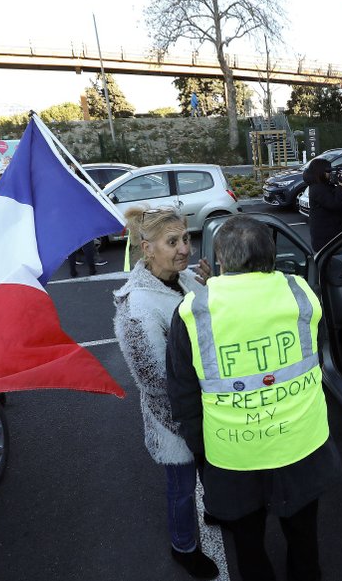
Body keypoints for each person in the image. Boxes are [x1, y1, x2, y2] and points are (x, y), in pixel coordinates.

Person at [168, 215, 342, 581]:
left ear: (221, 261)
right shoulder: (302, 293)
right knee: (303, 537)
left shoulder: (194, 310)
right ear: (272, 255)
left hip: (234, 454)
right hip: (302, 443)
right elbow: (314, 357)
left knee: (248, 543)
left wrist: (201, 450)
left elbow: (183, 392)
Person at [112, 206, 220, 580]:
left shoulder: (186, 279)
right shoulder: (137, 306)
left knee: (209, 474)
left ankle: (213, 511)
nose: (185, 249)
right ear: (147, 249)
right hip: (175, 421)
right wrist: (187, 427)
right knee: (181, 488)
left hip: (205, 408)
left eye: (186, 238)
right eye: (172, 241)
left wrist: (211, 287)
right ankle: (184, 547)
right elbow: (155, 383)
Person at [305, 157, 342, 252]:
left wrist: (341, 184)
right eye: (328, 170)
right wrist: (341, 185)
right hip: (325, 239)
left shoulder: (323, 185)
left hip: (330, 235)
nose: (330, 173)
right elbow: (335, 204)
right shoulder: (317, 189)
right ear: (321, 171)